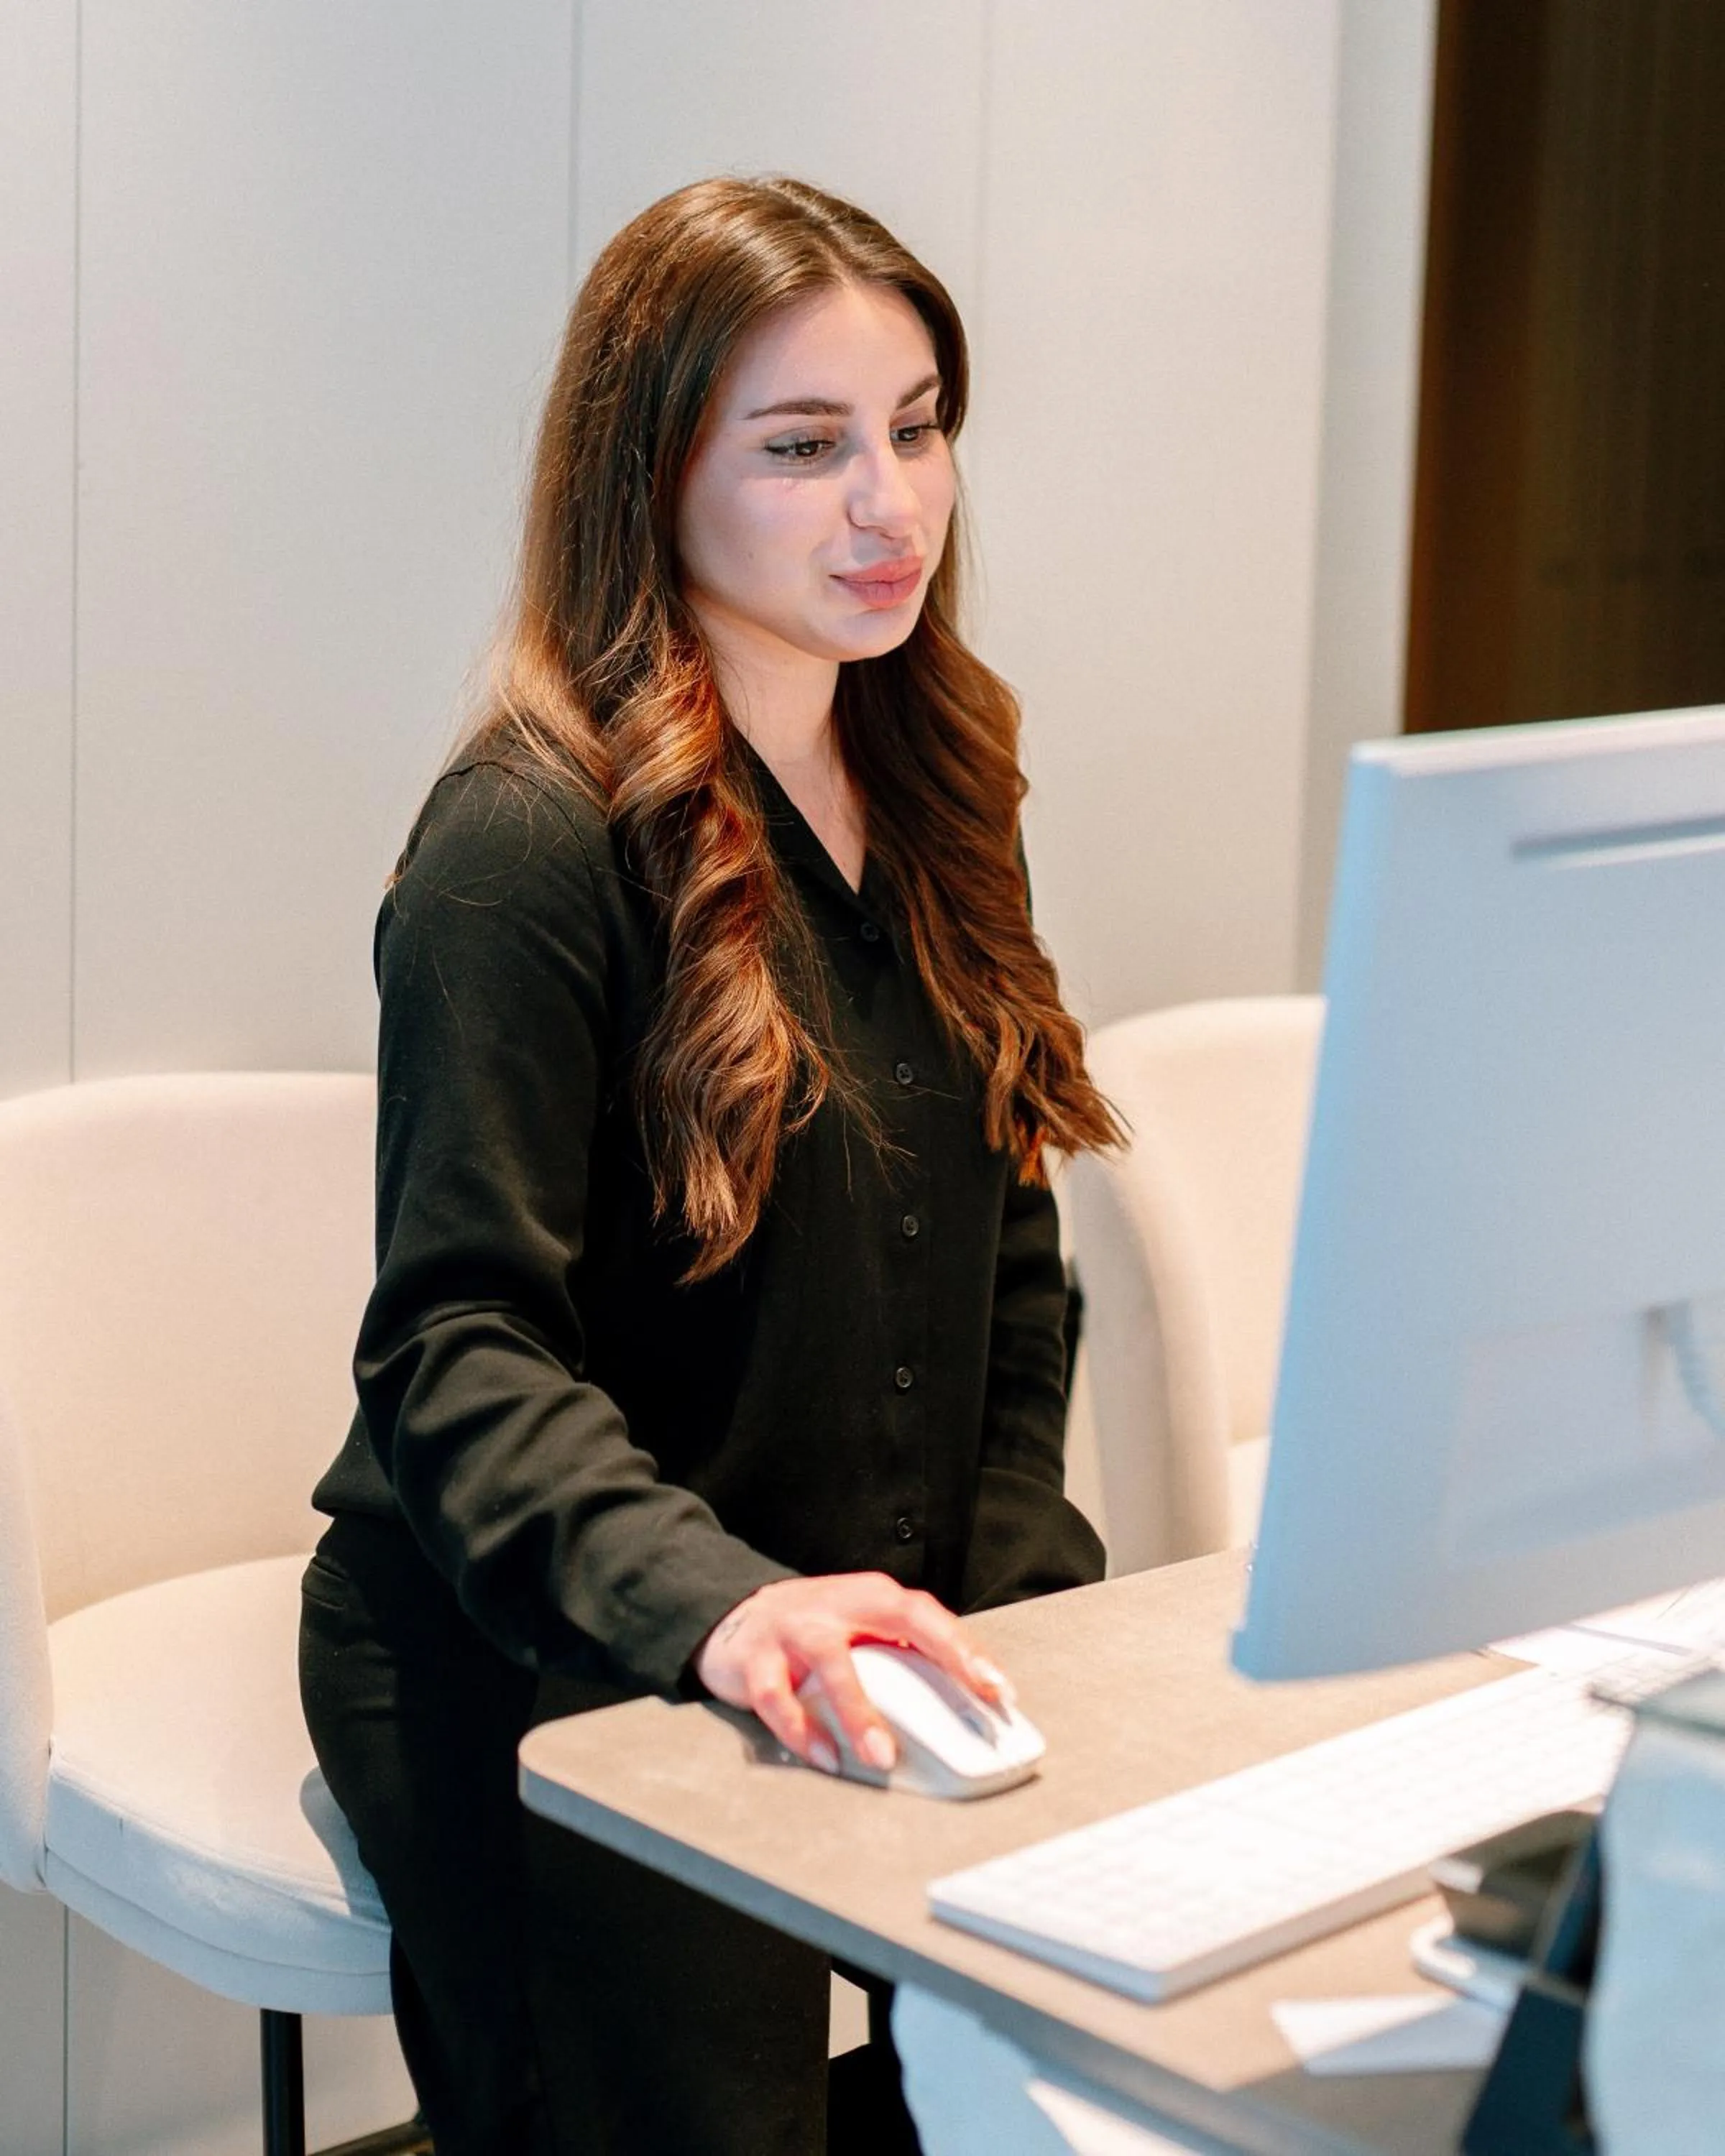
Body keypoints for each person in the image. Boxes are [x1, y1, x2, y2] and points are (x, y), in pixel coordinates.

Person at [299, 173, 1123, 2156]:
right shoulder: (527, 844)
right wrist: (730, 1616)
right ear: (649, 475)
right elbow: (457, 1355)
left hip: (858, 1629)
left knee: (1071, 2065)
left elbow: (1010, 1261)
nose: (892, 506)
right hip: (558, 1645)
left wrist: (1031, 1625)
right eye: (807, 446)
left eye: (918, 426)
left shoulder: (937, 786)